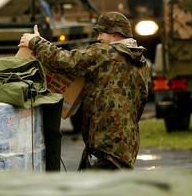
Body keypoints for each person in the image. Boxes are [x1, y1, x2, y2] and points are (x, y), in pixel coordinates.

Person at [18, 12, 150, 170]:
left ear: (116, 34)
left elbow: (66, 61)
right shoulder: (140, 62)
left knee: (95, 192)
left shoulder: (105, 54)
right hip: (126, 146)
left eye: (102, 33)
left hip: (105, 146)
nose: (99, 38)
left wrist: (36, 42)